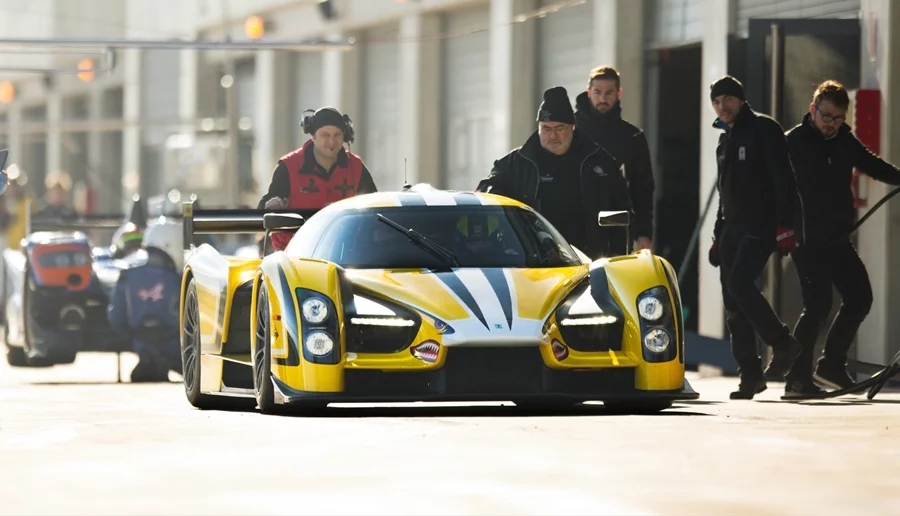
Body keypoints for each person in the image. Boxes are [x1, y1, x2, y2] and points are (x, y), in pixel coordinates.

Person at [782, 80, 900, 395]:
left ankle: (831, 366)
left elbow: (872, 165)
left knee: (860, 297)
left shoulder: (844, 140)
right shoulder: (791, 143)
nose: (832, 124)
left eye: (838, 118)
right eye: (827, 117)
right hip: (806, 240)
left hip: (836, 237)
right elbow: (770, 187)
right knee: (818, 305)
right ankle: (797, 379)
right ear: (812, 110)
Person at [706, 75, 802, 399]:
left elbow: (784, 179)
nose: (722, 106)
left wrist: (785, 225)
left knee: (740, 284)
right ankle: (750, 375)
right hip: (732, 228)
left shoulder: (764, 129)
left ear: (741, 99)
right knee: (733, 304)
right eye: (717, 102)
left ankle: (783, 343)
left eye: (728, 100)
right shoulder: (724, 141)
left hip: (761, 226)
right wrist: (718, 236)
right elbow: (724, 194)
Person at [475, 86, 632, 260]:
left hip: (589, 258)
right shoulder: (516, 164)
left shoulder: (600, 162)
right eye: (546, 129)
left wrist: (618, 254)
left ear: (572, 127)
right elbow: (485, 193)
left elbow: (622, 208)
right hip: (533, 260)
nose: (553, 136)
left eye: (559, 128)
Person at [258, 106, 378, 251]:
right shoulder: (288, 167)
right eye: (325, 135)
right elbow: (263, 209)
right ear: (313, 137)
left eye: (337, 135)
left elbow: (375, 207)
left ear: (345, 136)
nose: (332, 142)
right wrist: (271, 206)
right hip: (295, 253)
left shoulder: (357, 167)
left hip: (344, 252)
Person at [575, 66, 655, 253]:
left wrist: (643, 233)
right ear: (589, 92)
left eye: (609, 93)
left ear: (618, 93)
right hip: (572, 224)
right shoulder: (570, 131)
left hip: (614, 226)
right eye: (597, 92)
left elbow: (642, 188)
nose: (603, 99)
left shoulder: (631, 136)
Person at [107, 219, 183, 382]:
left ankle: (151, 359)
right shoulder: (179, 279)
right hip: (175, 350)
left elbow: (116, 318)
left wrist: (138, 336)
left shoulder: (126, 275)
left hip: (141, 345)